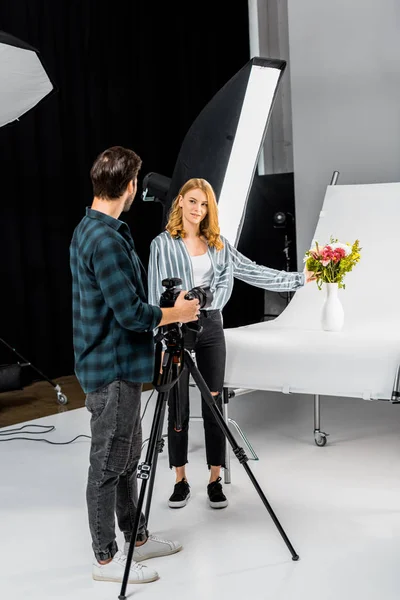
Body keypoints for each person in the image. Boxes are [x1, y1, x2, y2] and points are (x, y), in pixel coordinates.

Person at [69, 147, 200, 584]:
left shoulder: (97, 228)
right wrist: (176, 315)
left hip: (119, 362)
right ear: (129, 187)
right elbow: (129, 312)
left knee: (126, 460)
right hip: (112, 368)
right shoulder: (104, 240)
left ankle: (137, 537)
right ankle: (106, 559)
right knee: (108, 464)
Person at [148, 177, 315, 510]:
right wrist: (164, 329)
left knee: (214, 403)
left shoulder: (219, 244)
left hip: (211, 326)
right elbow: (155, 292)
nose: (198, 209)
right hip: (175, 326)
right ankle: (180, 479)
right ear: (180, 202)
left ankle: (214, 479)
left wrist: (300, 278)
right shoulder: (162, 244)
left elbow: (253, 272)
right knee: (178, 406)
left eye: (204, 203)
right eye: (192, 201)